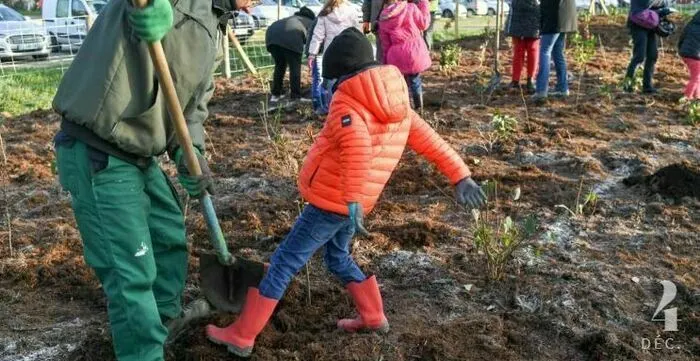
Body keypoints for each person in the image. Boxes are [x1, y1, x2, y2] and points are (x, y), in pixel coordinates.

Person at [205, 28, 487, 358]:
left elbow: (357, 150)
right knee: (337, 257)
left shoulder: (348, 101)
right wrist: (461, 176)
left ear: (342, 72)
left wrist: (351, 198)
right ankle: (372, 315)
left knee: (284, 261)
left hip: (334, 201)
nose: (329, 86)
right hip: (356, 203)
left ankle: (243, 334)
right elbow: (432, 141)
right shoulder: (397, 103)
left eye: (332, 78)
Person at [51, 0, 249, 360]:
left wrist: (191, 154)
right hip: (99, 147)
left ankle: (160, 326)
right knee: (131, 275)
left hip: (139, 154)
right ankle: (141, 351)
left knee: (169, 239)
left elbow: (192, 107)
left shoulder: (214, 23)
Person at [378, 0, 431, 111]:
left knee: (402, 84)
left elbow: (385, 44)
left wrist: (386, 61)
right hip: (414, 51)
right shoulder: (410, 8)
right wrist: (424, 3)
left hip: (396, 55)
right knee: (415, 80)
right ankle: (419, 108)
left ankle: (405, 109)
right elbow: (424, 23)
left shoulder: (384, 19)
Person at [307, 0, 359, 115]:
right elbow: (357, 32)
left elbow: (317, 36)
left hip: (331, 53)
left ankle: (333, 110)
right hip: (348, 51)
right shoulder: (352, 11)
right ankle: (348, 110)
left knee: (330, 84)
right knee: (347, 82)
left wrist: (312, 54)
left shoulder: (324, 13)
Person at [265, 7, 316, 104]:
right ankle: (295, 96)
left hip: (271, 38)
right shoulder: (310, 22)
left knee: (280, 66)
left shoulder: (291, 18)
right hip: (291, 39)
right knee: (294, 68)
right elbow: (311, 40)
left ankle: (276, 94)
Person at [534, 0, 577, 101]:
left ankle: (541, 90)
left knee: (545, 52)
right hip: (564, 18)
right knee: (558, 53)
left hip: (553, 18)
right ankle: (562, 88)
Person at [623, 0, 669, 94]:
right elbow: (646, 3)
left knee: (652, 55)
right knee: (639, 56)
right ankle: (627, 86)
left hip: (650, 22)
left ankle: (647, 87)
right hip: (638, 22)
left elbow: (663, 4)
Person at [505, 0, 541, 93]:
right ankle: (515, 80)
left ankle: (531, 79)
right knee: (518, 50)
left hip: (534, 17)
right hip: (518, 15)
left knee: (532, 49)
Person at [679, 11, 700, 100]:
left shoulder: (691, 24)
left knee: (697, 76)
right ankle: (687, 97)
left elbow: (682, 37)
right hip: (695, 55)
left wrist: (681, 49)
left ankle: (697, 96)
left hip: (686, 53)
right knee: (697, 77)